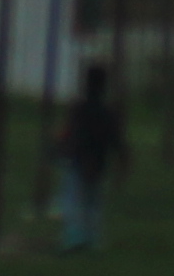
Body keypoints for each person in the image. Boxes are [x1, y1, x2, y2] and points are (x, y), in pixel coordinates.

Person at [51, 56, 130, 252]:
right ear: (105, 86)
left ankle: (73, 239)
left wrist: (58, 150)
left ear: (85, 84)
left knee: (74, 200)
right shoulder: (109, 112)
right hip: (99, 163)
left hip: (78, 162)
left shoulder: (77, 109)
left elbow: (69, 134)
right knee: (94, 203)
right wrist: (123, 162)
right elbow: (117, 141)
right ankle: (93, 240)